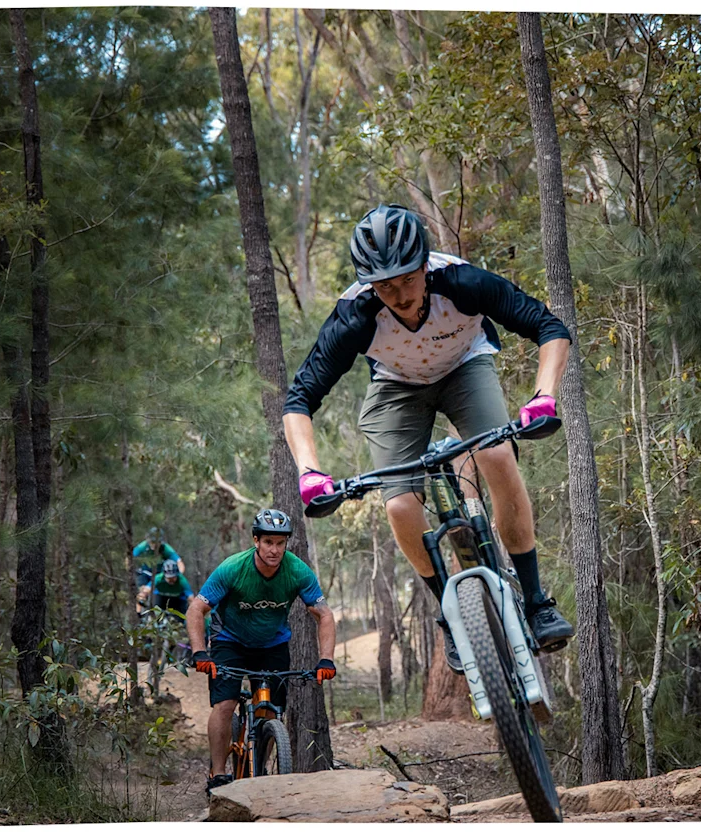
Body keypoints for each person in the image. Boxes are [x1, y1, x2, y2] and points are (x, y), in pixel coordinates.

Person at [282, 203, 574, 674]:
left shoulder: (461, 281)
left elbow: (549, 327)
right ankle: (453, 616)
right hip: (397, 387)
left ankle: (538, 601)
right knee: (399, 505)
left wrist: (543, 398)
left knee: (496, 454)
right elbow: (299, 399)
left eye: (405, 280)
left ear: (424, 265)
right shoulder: (355, 315)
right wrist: (310, 471)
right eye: (383, 286)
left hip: (465, 367)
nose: (396, 294)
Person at [186, 509, 337, 794]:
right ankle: (218, 775)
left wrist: (326, 659)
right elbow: (197, 608)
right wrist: (199, 652)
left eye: (280, 543)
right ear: (256, 540)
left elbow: (324, 614)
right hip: (229, 641)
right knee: (226, 704)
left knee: (270, 712)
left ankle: (260, 768)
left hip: (273, 644)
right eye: (268, 542)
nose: (274, 550)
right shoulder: (233, 568)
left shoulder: (297, 571)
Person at [132, 527, 182, 608]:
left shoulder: (165, 548)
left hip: (159, 574)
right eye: (152, 542)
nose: (154, 544)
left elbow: (179, 561)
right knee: (142, 591)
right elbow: (131, 555)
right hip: (145, 573)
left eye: (157, 542)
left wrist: (179, 574)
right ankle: (139, 615)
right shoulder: (143, 545)